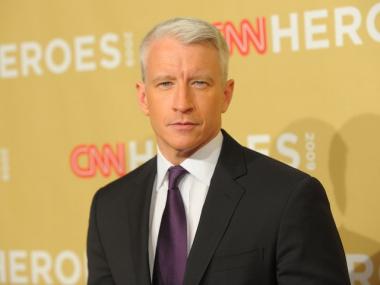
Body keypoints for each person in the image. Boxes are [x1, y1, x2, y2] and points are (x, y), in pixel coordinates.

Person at [87, 18, 350, 285]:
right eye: (166, 83)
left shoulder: (289, 198)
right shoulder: (109, 207)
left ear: (226, 94)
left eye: (199, 83)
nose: (182, 103)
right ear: (143, 97)